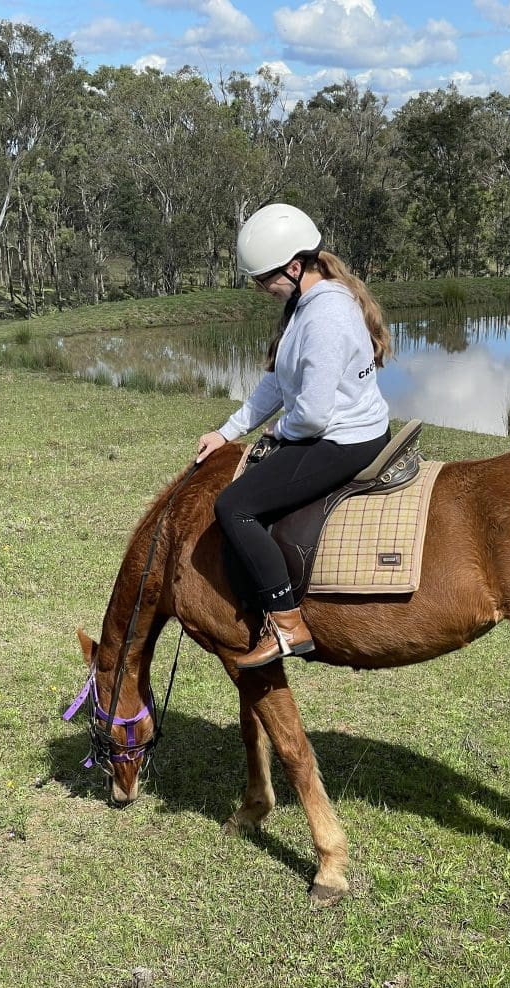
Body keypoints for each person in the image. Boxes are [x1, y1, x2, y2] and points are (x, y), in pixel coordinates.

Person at [196, 203, 391, 669]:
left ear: (295, 265)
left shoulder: (324, 319)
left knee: (234, 507)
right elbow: (279, 383)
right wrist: (227, 432)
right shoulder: (308, 303)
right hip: (338, 427)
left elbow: (312, 417)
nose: (264, 290)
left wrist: (276, 431)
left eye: (266, 280)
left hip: (343, 438)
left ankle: (286, 620)